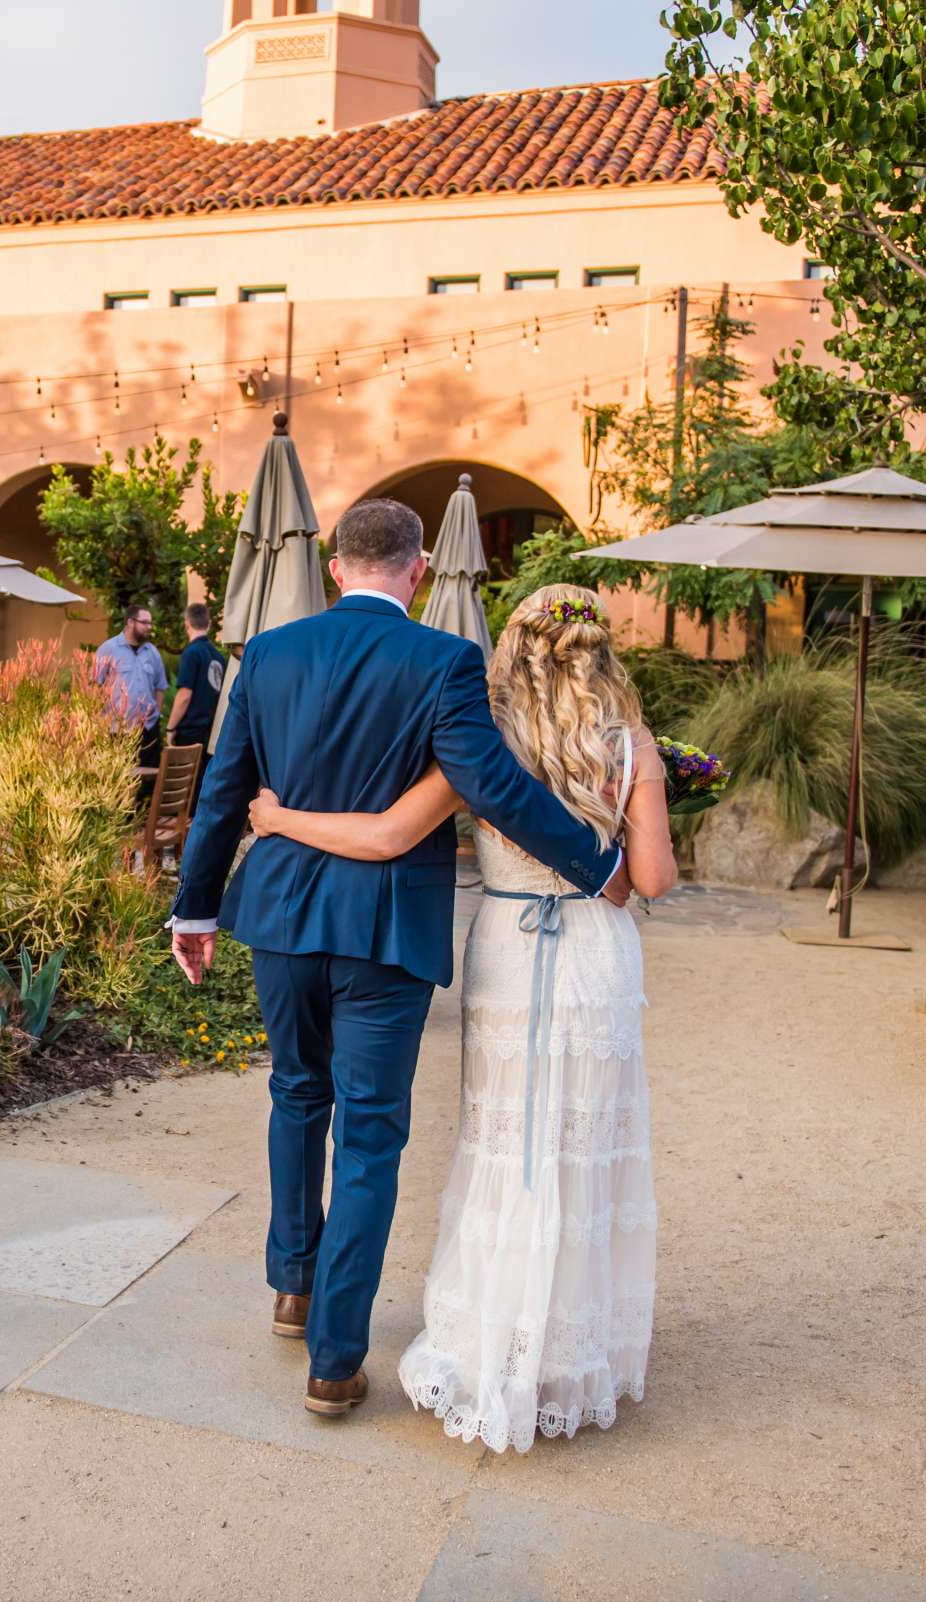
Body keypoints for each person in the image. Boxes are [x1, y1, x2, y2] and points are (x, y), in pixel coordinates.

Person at [169, 500, 632, 1423]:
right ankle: (336, 1363)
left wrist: (196, 905)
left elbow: (223, 790)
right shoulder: (445, 661)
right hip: (383, 934)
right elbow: (490, 785)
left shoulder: (267, 655)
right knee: (371, 1134)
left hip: (282, 922)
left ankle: (292, 1289)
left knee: (297, 1095)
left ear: (337, 567)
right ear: (418, 570)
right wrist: (600, 865)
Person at [242, 584, 674, 1451]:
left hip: (512, 947)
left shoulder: (488, 743)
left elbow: (388, 835)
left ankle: (488, 1331)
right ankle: (569, 1345)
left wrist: (277, 815)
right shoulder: (631, 747)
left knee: (506, 1145)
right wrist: (609, 857)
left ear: (514, 650)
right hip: (595, 955)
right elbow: (653, 880)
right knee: (582, 1146)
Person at [93, 603, 168, 775]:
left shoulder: (152, 652)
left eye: (150, 623)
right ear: (130, 622)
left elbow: (160, 687)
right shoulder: (108, 649)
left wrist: (155, 714)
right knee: (117, 778)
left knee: (148, 781)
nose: (149, 627)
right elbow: (95, 686)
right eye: (144, 622)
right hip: (117, 731)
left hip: (147, 730)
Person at [168, 601, 225, 756]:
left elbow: (185, 695)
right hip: (211, 733)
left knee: (186, 780)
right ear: (209, 624)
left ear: (187, 624)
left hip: (190, 734)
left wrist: (170, 728)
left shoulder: (191, 653)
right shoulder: (218, 657)